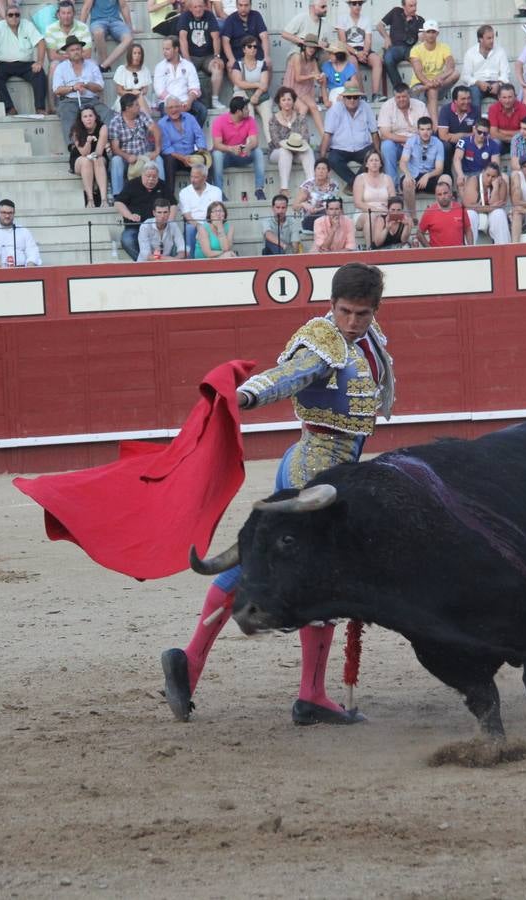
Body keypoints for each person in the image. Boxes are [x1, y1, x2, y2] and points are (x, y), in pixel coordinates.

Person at [161, 261, 394, 726]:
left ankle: (192, 660)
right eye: (345, 311)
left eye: (362, 314)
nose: (351, 322)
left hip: (333, 467)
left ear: (373, 311)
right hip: (316, 472)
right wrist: (243, 397)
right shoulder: (324, 341)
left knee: (258, 561)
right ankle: (310, 696)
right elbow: (287, 375)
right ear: (331, 305)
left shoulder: (369, 337)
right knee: (321, 574)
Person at [0, 5, 49, 117]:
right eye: (10, 15)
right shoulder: (0, 26)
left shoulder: (27, 24)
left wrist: (39, 62)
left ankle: (40, 108)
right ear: (6, 17)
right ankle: (10, 108)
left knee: (40, 73)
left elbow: (41, 42)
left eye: (17, 15)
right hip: (3, 64)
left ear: (20, 16)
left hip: (25, 64)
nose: (14, 17)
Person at [53, 36, 112, 144]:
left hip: (91, 100)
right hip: (69, 101)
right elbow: (57, 90)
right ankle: (73, 146)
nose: (75, 52)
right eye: (72, 50)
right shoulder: (61, 67)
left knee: (107, 113)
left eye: (77, 49)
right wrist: (73, 88)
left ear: (82, 50)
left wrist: (86, 85)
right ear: (67, 53)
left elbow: (100, 87)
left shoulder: (92, 65)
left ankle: (108, 143)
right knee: (66, 111)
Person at [319, 85, 377, 188]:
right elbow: (327, 134)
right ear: (343, 98)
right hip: (340, 148)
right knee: (332, 159)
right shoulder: (335, 109)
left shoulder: (365, 107)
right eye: (349, 97)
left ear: (359, 98)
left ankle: (353, 184)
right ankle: (356, 183)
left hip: (362, 147)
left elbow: (374, 132)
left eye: (355, 97)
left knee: (375, 156)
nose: (352, 100)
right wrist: (322, 159)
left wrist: (379, 152)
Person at [114, 162, 175, 259]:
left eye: (154, 177)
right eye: (148, 176)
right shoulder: (131, 184)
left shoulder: (162, 185)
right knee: (127, 240)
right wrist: (130, 215)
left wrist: (169, 221)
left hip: (158, 227)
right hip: (135, 226)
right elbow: (118, 203)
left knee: (173, 237)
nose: (151, 179)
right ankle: (145, 262)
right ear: (142, 174)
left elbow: (173, 204)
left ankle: (161, 261)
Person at [107, 94, 164, 197]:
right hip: (126, 157)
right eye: (137, 105)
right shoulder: (115, 122)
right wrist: (127, 156)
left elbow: (156, 130)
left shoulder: (142, 115)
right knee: (116, 161)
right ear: (128, 108)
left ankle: (161, 193)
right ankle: (118, 195)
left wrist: (157, 150)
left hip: (144, 155)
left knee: (158, 159)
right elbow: (115, 148)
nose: (139, 107)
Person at [210, 95, 265, 198]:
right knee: (216, 154)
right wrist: (230, 149)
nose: (249, 110)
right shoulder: (219, 121)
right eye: (246, 109)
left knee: (258, 152)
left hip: (241, 154)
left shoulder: (250, 120)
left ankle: (259, 189)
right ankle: (218, 191)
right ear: (238, 111)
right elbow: (217, 144)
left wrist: (248, 147)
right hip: (225, 156)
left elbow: (254, 141)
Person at [177, 0, 225, 111]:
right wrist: (187, 60)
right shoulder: (185, 16)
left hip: (207, 56)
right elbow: (182, 39)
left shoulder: (209, 15)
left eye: (200, 6)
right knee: (182, 70)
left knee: (217, 67)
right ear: (190, 8)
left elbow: (216, 37)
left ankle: (215, 100)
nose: (198, 9)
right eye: (195, 7)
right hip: (191, 56)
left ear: (204, 7)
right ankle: (183, 99)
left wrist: (217, 56)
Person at [268, 88, 316, 192]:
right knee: (285, 151)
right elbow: (276, 141)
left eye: (289, 99)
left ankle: (311, 185)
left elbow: (306, 138)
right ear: (279, 102)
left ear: (293, 101)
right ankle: (284, 188)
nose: (287, 102)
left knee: (308, 151)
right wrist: (290, 148)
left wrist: (297, 148)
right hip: (278, 152)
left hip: (298, 152)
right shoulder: (273, 119)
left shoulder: (300, 118)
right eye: (283, 100)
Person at [408, 21, 458, 124]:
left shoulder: (444, 47)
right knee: (432, 90)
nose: (431, 34)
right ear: (424, 33)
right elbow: (418, 72)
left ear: (437, 33)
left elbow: (451, 66)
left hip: (438, 82)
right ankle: (435, 126)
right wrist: (428, 83)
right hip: (420, 84)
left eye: (433, 32)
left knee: (456, 73)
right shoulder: (415, 50)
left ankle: (434, 127)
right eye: (428, 32)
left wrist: (440, 78)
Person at [377, 83, 428, 180]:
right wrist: (407, 140)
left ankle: (417, 182)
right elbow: (385, 134)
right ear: (394, 97)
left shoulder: (420, 106)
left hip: (417, 143)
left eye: (404, 96)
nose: (401, 99)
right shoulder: (387, 106)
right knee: (386, 146)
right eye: (398, 97)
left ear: (409, 95)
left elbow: (427, 128)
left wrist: (412, 142)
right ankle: (393, 185)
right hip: (397, 144)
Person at [154, 35, 207, 126]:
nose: (164, 52)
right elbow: (159, 91)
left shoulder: (188, 65)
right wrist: (176, 105)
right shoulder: (160, 67)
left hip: (186, 101)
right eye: (163, 49)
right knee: (166, 114)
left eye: (167, 49)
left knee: (202, 111)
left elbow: (195, 87)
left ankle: (191, 136)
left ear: (176, 49)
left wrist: (189, 101)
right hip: (167, 102)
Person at [337, 0, 382, 100]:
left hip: (363, 49)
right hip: (348, 50)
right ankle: (361, 94)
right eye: (354, 3)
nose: (357, 6)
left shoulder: (366, 19)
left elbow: (368, 40)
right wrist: (357, 53)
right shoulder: (342, 19)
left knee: (377, 60)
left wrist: (364, 53)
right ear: (349, 5)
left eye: (360, 3)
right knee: (352, 62)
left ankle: (375, 94)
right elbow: (342, 42)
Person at [281, 35, 326, 136]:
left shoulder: (313, 60)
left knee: (313, 106)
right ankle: (295, 136)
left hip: (303, 91)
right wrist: (312, 75)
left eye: (314, 47)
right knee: (303, 108)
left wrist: (320, 78)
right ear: (304, 46)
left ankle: (324, 136)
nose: (312, 49)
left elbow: (317, 77)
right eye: (309, 46)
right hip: (290, 90)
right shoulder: (297, 56)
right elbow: (297, 78)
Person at [399, 116, 443, 218]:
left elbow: (439, 169)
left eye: (428, 129)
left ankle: (441, 216)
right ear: (418, 130)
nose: (425, 132)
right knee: (407, 183)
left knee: (446, 180)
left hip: (430, 176)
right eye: (422, 129)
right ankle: (414, 218)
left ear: (432, 130)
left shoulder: (438, 143)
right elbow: (403, 162)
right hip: (413, 174)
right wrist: (407, 174)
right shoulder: (411, 141)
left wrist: (427, 176)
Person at [158, 97, 208, 185]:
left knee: (206, 158)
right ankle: (169, 195)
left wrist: (201, 150)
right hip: (175, 158)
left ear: (181, 107)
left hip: (190, 155)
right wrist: (183, 158)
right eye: (171, 107)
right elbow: (166, 148)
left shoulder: (190, 118)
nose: (174, 110)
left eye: (177, 106)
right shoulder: (162, 124)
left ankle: (209, 191)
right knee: (169, 160)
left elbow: (199, 136)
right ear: (166, 110)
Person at [460, 24, 509, 114]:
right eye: (489, 38)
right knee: (474, 92)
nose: (492, 41)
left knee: (508, 93)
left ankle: (506, 122)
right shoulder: (470, 53)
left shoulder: (500, 51)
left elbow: (505, 73)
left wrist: (499, 83)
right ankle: (477, 124)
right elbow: (465, 76)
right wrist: (478, 82)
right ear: (480, 39)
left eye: (493, 38)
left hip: (496, 83)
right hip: (478, 84)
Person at [228, 36, 271, 139]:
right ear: (244, 49)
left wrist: (256, 95)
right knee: (248, 114)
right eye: (249, 46)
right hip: (242, 93)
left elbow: (264, 85)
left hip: (260, 95)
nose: (253, 49)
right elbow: (239, 83)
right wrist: (257, 84)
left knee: (269, 117)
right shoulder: (237, 64)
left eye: (255, 47)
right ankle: (250, 144)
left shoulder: (262, 64)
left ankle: (272, 146)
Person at [377, 0, 424, 94]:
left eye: (415, 5)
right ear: (403, 6)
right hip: (395, 48)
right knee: (388, 58)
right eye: (411, 6)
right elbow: (379, 26)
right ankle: (400, 89)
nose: (414, 8)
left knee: (419, 60)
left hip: (411, 49)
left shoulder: (420, 20)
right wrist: (386, 38)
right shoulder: (395, 12)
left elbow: (421, 38)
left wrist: (418, 44)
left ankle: (419, 89)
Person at [68, 106, 110, 207]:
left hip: (98, 156)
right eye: (85, 116)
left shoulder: (102, 127)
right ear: (81, 119)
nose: (88, 119)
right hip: (80, 158)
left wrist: (93, 157)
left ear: (95, 117)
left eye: (91, 116)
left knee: (97, 160)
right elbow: (83, 152)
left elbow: (99, 151)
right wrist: (88, 142)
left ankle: (104, 199)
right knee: (86, 161)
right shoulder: (76, 129)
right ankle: (90, 199)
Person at [462, 161, 512, 244]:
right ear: (483, 172)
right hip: (476, 214)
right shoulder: (474, 181)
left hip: (491, 215)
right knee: (470, 214)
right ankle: (469, 251)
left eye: (493, 177)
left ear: (498, 177)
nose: (489, 179)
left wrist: (495, 188)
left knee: (499, 213)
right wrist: (491, 207)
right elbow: (468, 206)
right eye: (487, 175)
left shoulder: (501, 183)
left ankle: (504, 249)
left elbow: (499, 205)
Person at [177, 162, 222, 251]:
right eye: (191, 176)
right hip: (193, 224)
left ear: (205, 178)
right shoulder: (184, 192)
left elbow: (217, 213)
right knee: (189, 229)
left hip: (211, 223)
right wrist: (199, 226)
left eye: (196, 177)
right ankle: (191, 261)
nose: (192, 180)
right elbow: (187, 216)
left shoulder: (216, 191)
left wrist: (206, 226)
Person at [352, 148, 393, 244]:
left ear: (381, 164)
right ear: (366, 164)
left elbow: (393, 201)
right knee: (371, 217)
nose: (374, 163)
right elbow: (358, 203)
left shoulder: (387, 179)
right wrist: (376, 210)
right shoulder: (360, 178)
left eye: (376, 160)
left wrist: (385, 212)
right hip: (364, 213)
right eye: (371, 160)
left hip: (384, 213)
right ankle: (370, 250)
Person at [0, 199, 43, 266]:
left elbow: (33, 252)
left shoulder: (23, 231)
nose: (7, 216)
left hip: (23, 270)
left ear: (14, 213)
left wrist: (28, 268)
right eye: (4, 212)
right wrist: (8, 272)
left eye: (10, 213)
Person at [434, 87, 477, 176]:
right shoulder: (445, 110)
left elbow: (476, 135)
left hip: (465, 143)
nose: (467, 102)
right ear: (455, 101)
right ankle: (447, 177)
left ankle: (471, 177)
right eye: (463, 99)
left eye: (469, 98)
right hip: (449, 144)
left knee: (475, 144)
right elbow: (443, 136)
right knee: (445, 146)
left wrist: (460, 136)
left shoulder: (476, 110)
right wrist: (465, 135)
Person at [83, 0, 135, 72]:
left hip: (116, 21)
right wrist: (80, 29)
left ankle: (104, 65)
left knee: (129, 38)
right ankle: (106, 66)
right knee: (98, 33)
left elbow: (124, 6)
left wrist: (130, 28)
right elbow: (86, 8)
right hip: (97, 21)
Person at [417, 176, 469, 246]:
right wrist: (429, 250)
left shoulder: (460, 209)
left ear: (450, 193)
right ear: (436, 196)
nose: (443, 197)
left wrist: (470, 248)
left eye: (445, 193)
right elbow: (419, 233)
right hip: (438, 255)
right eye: (439, 194)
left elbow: (468, 229)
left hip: (458, 254)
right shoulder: (429, 212)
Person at [453, 117, 501, 186]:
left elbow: (495, 165)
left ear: (488, 133)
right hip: (467, 174)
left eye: (485, 134)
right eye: (479, 132)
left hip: (484, 174)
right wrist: (460, 175)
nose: (482, 135)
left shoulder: (493, 144)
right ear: (474, 130)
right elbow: (457, 158)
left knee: (501, 178)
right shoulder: (463, 141)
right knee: (461, 181)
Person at [45, 1, 94, 69]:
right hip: (61, 62)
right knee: (54, 65)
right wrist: (73, 57)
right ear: (58, 15)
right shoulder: (50, 29)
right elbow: (52, 56)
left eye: (69, 13)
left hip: (80, 61)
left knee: (92, 64)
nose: (66, 16)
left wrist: (67, 57)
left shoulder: (83, 27)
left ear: (74, 14)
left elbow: (87, 54)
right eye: (63, 13)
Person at [297, 157, 340, 233]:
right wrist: (304, 204)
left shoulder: (333, 185)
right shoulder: (308, 185)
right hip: (310, 218)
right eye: (318, 169)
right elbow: (295, 206)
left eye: (323, 169)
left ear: (328, 172)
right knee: (327, 214)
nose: (321, 171)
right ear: (315, 171)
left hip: (328, 216)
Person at [222, 0, 271, 67]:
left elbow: (264, 36)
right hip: (238, 54)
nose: (243, 8)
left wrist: (266, 56)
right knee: (230, 65)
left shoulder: (256, 15)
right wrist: (231, 59)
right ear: (236, 5)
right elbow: (225, 41)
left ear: (250, 5)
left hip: (256, 53)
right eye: (240, 5)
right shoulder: (230, 19)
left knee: (268, 64)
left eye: (246, 5)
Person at [136, 195, 187, 260]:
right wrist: (170, 259)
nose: (162, 216)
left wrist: (175, 260)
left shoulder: (173, 225)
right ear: (154, 213)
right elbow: (147, 255)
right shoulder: (145, 226)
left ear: (169, 212)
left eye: (165, 212)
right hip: (146, 265)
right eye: (159, 212)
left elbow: (182, 249)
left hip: (167, 264)